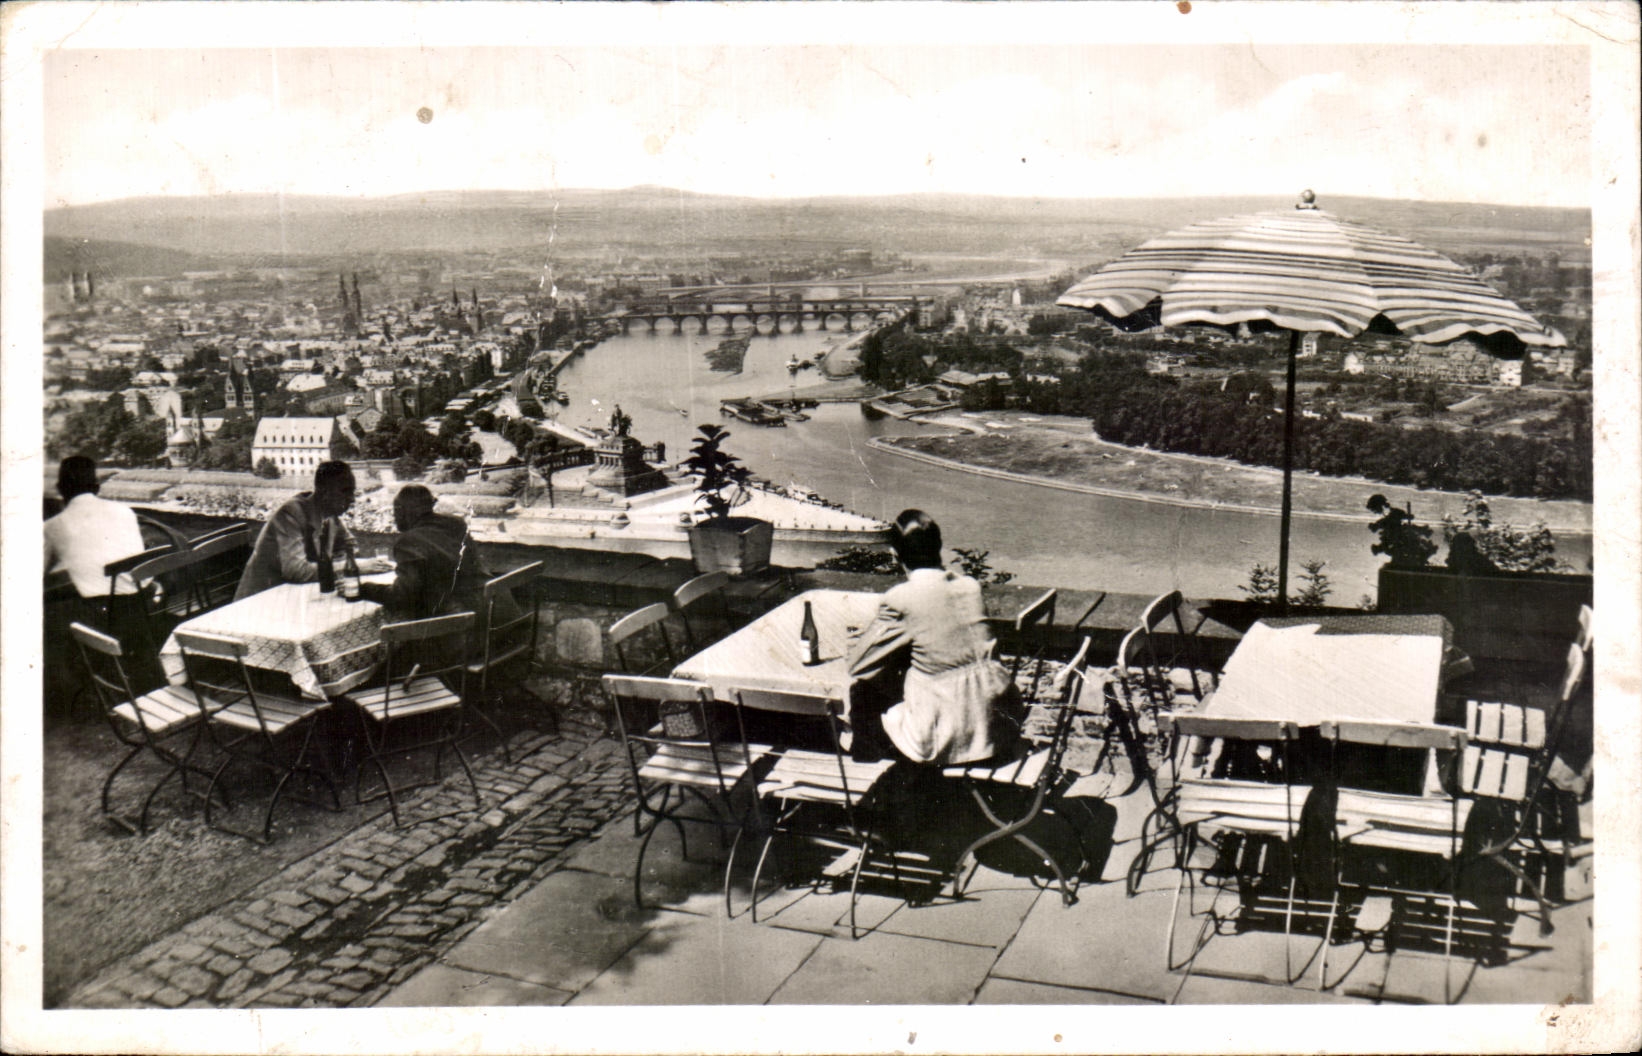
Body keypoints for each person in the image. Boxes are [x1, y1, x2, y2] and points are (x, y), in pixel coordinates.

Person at [846, 509, 1024, 767]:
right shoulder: (969, 587)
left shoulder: (901, 597)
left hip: (949, 736)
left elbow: (857, 665)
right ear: (939, 546)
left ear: (895, 555)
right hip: (997, 727)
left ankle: (871, 784)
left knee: (863, 690)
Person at [358, 484, 497, 622]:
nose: (394, 517)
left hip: (470, 625)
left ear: (402, 511)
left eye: (395, 511)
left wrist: (363, 589)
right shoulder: (456, 523)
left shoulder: (409, 540)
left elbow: (402, 596)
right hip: (496, 608)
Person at [235, 460, 357, 599]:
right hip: (261, 599)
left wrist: (341, 561)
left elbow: (349, 545)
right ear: (324, 492)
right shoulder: (291, 513)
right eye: (345, 492)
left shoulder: (329, 514)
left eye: (352, 492)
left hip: (295, 594)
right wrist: (349, 567)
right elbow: (296, 571)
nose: (352, 499)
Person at [44, 455, 146, 599]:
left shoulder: (52, 526)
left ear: (60, 489)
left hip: (102, 606)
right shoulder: (124, 510)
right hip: (142, 595)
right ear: (96, 487)